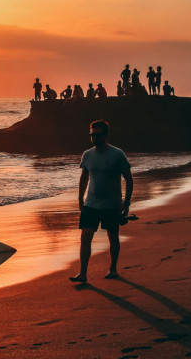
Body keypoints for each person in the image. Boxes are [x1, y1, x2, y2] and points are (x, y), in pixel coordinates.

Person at [70, 120, 133, 283]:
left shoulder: (117, 154)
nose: (95, 138)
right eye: (92, 135)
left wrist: (126, 203)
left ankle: (113, 269)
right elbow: (84, 177)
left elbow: (129, 178)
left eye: (98, 135)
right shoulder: (87, 154)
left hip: (112, 204)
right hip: (91, 203)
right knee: (85, 237)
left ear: (105, 135)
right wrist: (80, 198)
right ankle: (82, 273)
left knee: (113, 236)